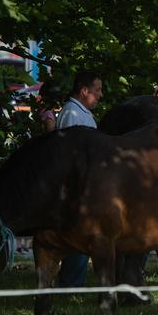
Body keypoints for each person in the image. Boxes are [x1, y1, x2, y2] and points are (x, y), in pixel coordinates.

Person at [55, 71, 103, 287]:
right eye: (97, 90)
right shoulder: (72, 114)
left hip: (86, 186)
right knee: (78, 237)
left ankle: (74, 282)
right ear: (84, 91)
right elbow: (69, 156)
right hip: (77, 188)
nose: (100, 95)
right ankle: (70, 284)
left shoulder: (81, 113)